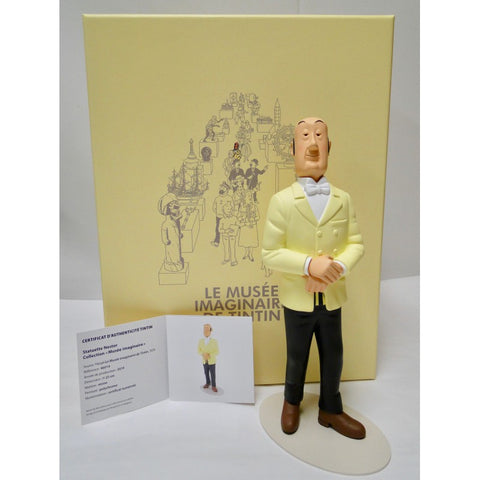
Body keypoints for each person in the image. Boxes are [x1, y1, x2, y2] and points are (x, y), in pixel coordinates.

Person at [262, 117, 365, 439]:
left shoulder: (343, 199)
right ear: (293, 149)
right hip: (298, 298)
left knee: (334, 354)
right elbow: (270, 253)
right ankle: (291, 401)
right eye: (305, 136)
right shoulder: (281, 201)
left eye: (319, 135)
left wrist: (335, 269)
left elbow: (356, 243)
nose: (313, 143)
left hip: (332, 297)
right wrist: (309, 265)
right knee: (297, 355)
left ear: (329, 147)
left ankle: (330, 407)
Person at [198, 323, 219, 392]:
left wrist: (209, 355)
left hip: (212, 361)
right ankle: (207, 383)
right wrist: (203, 354)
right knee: (206, 373)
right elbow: (198, 350)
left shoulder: (214, 341)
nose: (205, 331)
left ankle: (213, 385)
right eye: (204, 330)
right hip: (204, 360)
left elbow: (217, 352)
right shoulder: (200, 341)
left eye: (207, 330)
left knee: (213, 374)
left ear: (210, 331)